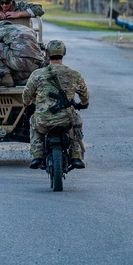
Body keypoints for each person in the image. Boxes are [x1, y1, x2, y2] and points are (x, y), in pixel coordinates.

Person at [22, 39, 89, 170]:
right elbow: (85, 94)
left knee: (33, 122)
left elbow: (26, 94)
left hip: (44, 120)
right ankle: (76, 156)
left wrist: (27, 103)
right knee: (77, 123)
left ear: (47, 54)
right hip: (66, 120)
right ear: (63, 53)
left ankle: (37, 156)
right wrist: (83, 103)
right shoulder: (74, 74)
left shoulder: (37, 74)